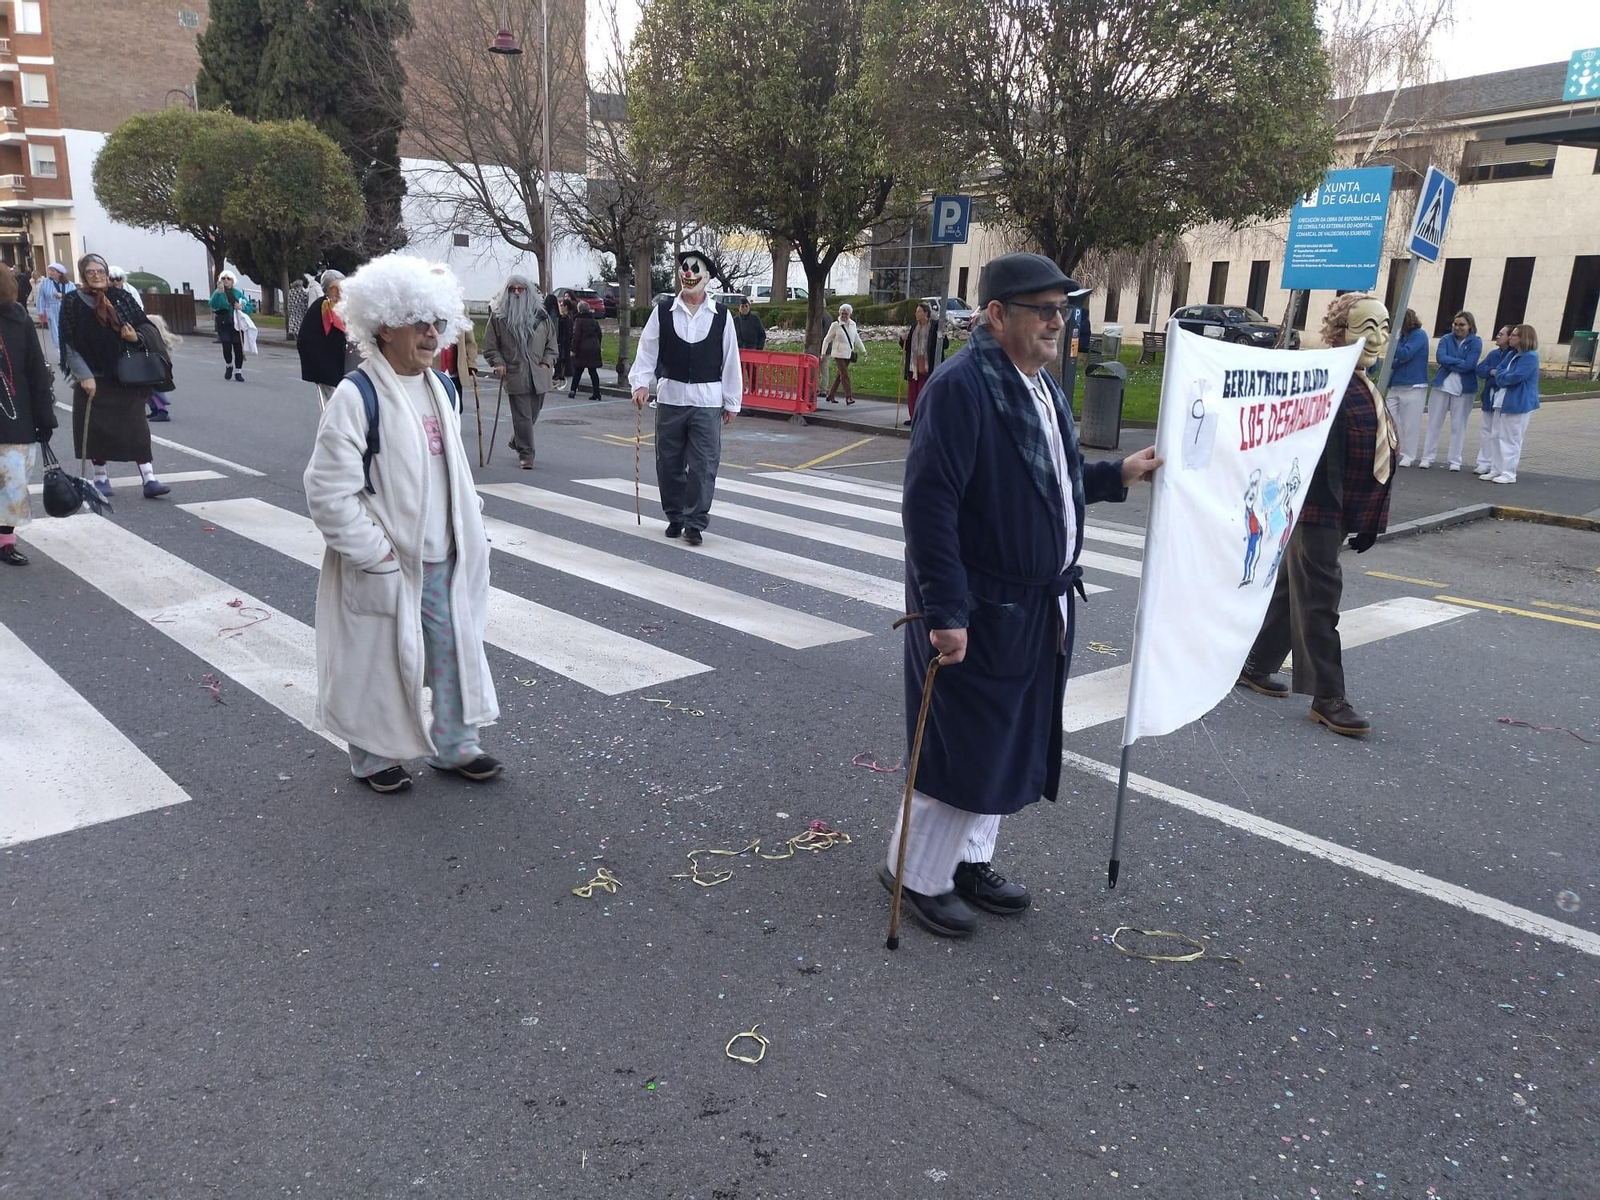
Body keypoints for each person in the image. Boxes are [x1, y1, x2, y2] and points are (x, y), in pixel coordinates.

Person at [884, 252, 1161, 938]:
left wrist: (1115, 473)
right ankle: (916, 872)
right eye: (1043, 310)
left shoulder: (1036, 382)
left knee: (1006, 738)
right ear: (997, 314)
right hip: (977, 604)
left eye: (1062, 311)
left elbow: (1053, 479)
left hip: (1035, 604)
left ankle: (968, 860)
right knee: (962, 741)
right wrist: (946, 614)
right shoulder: (961, 387)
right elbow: (930, 508)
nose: (1056, 323)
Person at [303, 253, 502, 795]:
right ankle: (372, 755)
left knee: (453, 648)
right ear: (383, 325)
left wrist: (472, 523)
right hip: (388, 561)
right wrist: (374, 554)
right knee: (378, 658)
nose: (430, 333)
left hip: (444, 557)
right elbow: (327, 489)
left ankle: (457, 743)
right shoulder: (356, 395)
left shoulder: (444, 389)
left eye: (436, 322)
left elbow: (451, 472)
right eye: (417, 321)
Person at [1239, 293, 1397, 738]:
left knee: (1295, 590)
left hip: (1335, 510)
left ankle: (1254, 665)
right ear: (1339, 331)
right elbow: (1317, 454)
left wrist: (1368, 517)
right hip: (1319, 509)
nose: (1377, 336)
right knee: (1319, 600)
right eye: (1366, 326)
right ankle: (1329, 697)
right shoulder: (1326, 379)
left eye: (1383, 327)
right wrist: (1347, 517)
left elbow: (1370, 450)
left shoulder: (1360, 379)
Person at [628, 249, 742, 548]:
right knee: (669, 463)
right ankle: (675, 516)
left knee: (704, 465)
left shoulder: (721, 316)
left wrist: (731, 401)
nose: (687, 274)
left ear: (706, 278)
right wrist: (640, 384)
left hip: (706, 401)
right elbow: (647, 350)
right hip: (671, 399)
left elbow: (731, 359)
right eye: (684, 269)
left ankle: (694, 523)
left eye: (694, 270)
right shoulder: (663, 312)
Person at [58, 253, 172, 500]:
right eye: (91, 272)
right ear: (83, 274)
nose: (97, 276)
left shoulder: (121, 296)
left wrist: (136, 338)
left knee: (137, 428)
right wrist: (83, 375)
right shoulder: (72, 302)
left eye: (101, 271)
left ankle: (149, 478)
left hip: (125, 374)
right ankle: (100, 477)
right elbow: (69, 343)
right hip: (93, 375)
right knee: (97, 430)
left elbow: (144, 326)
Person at [0, 264, 57, 565]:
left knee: (12, 482)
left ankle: (6, 542)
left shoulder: (17, 319)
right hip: (15, 416)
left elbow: (36, 370)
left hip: (14, 417)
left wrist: (44, 418)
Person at [482, 273, 557, 470]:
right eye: (512, 289)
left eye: (520, 289)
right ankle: (526, 454)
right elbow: (490, 347)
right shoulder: (499, 316)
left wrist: (547, 363)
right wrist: (498, 363)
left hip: (539, 374)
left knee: (533, 413)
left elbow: (552, 345)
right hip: (514, 372)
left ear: (528, 292)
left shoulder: (542, 316)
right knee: (522, 415)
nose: (516, 293)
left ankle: (518, 440)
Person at [1418, 311, 1480, 470]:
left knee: (1458, 425)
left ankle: (1455, 460)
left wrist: (1452, 362)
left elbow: (1469, 365)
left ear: (1470, 326)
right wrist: (1459, 362)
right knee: (1434, 423)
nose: (1457, 328)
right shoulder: (1446, 339)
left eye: (1462, 325)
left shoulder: (1475, 342)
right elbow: (1441, 358)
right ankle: (1427, 457)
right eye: (1455, 324)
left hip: (1463, 389)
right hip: (1442, 386)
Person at [1479, 324, 1540, 485]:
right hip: (1502, 400)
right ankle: (1496, 469)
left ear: (1524, 338)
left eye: (1514, 335)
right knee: (1496, 435)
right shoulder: (1511, 354)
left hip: (1517, 402)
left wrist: (1502, 376)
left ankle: (1508, 472)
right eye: (1511, 334)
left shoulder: (1530, 357)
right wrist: (1503, 375)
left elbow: (1515, 377)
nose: (1511, 337)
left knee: (1510, 439)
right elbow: (1500, 371)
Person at [298, 270, 363, 408]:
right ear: (326, 290)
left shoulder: (341, 306)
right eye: (334, 289)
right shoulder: (323, 306)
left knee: (339, 398)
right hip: (324, 363)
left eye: (342, 288)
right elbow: (308, 337)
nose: (339, 293)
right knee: (332, 401)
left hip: (337, 362)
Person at [1384, 308, 1428, 467]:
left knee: (1410, 423)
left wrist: (1393, 343)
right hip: (1396, 384)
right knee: (1390, 419)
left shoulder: (1419, 335)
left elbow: (1405, 354)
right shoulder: (1401, 337)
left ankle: (1408, 454)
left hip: (1413, 386)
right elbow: (1394, 361)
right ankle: (1391, 449)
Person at [899, 301, 946, 425]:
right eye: (916, 312)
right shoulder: (915, 326)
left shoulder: (935, 326)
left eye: (919, 311)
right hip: (913, 364)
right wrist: (903, 339)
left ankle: (924, 417)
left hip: (927, 364)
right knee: (912, 392)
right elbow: (907, 346)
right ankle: (914, 417)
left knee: (924, 392)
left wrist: (942, 336)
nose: (916, 314)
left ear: (926, 313)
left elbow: (944, 345)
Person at [1473, 325, 1511, 476]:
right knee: (1486, 430)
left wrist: (1495, 374)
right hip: (1489, 395)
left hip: (1501, 397)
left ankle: (1496, 464)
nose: (1497, 336)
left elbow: (1506, 375)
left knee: (1497, 432)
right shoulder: (1493, 354)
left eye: (1501, 334)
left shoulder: (1512, 355)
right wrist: (1491, 371)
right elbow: (1480, 369)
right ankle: (1484, 462)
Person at [209, 270, 252, 381]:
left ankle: (238, 371)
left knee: (238, 348)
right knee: (226, 346)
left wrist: (242, 307)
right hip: (223, 323)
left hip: (236, 324)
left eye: (229, 279)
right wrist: (217, 293)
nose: (226, 281)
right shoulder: (218, 293)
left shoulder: (238, 293)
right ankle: (229, 365)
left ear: (233, 281)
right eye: (224, 278)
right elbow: (212, 304)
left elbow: (250, 307)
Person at [821, 302, 867, 404]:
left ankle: (831, 395)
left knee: (840, 375)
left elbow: (856, 338)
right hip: (838, 353)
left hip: (848, 354)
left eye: (846, 313)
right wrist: (823, 352)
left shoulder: (853, 324)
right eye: (842, 313)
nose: (844, 315)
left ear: (850, 314)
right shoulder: (835, 325)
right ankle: (849, 397)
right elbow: (827, 339)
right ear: (839, 313)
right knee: (845, 375)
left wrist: (863, 350)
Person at [143, 314, 180, 422]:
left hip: (155, 369)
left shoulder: (156, 340)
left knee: (153, 391)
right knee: (148, 391)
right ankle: (155, 409)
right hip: (154, 368)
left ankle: (162, 410)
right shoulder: (158, 338)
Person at [567, 301, 603, 402]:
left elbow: (576, 336)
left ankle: (573, 390)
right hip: (593, 348)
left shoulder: (578, 321)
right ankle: (597, 392)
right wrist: (597, 344)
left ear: (579, 310)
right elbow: (599, 334)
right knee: (593, 371)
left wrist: (573, 349)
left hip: (582, 349)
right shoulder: (594, 321)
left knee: (578, 370)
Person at [37, 263, 72, 355]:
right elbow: (41, 297)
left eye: (52, 271)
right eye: (49, 270)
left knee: (67, 330)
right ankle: (61, 352)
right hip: (51, 310)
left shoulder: (69, 284)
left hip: (66, 310)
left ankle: (69, 349)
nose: (50, 272)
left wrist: (63, 296)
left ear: (59, 273)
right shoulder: (45, 283)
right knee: (55, 331)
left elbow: (74, 297)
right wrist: (41, 311)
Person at [554, 295, 575, 389]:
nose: (560, 307)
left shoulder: (567, 319)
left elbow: (567, 334)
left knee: (565, 363)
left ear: (565, 307)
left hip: (565, 345)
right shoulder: (564, 318)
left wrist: (564, 345)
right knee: (562, 363)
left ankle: (566, 382)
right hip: (562, 344)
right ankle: (561, 380)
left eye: (562, 305)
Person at [286, 274, 310, 339]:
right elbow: (306, 301)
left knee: (296, 332)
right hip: (300, 314)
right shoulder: (302, 292)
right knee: (301, 331)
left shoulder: (290, 292)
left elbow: (289, 304)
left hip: (293, 315)